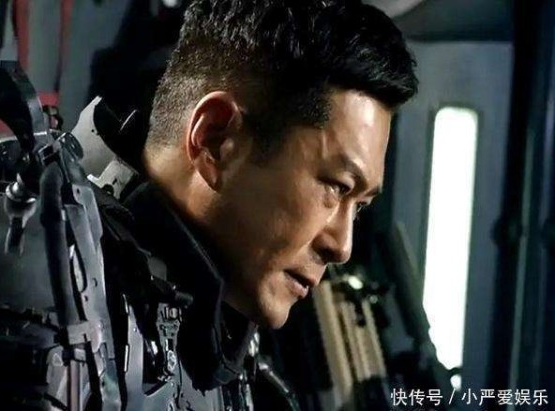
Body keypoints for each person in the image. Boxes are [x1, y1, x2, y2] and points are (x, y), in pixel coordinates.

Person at [100, 0, 417, 409]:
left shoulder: (228, 345)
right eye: (337, 187)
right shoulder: (50, 305)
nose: (341, 247)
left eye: (359, 207)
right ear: (216, 140)